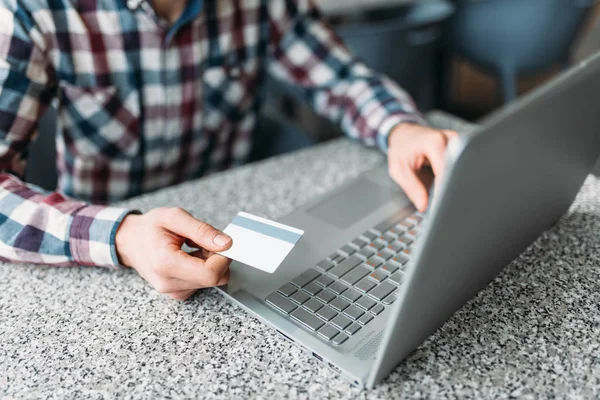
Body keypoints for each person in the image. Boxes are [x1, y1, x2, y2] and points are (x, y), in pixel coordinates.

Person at [0, 0, 457, 300]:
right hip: (106, 256)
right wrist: (123, 236)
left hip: (233, 243)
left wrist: (400, 128)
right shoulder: (29, 13)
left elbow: (342, 79)